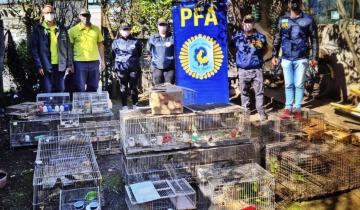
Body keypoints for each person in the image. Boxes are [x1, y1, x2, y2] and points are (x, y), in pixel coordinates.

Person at [272, 0, 319, 120]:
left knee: (299, 84)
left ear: (300, 2)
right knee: (288, 84)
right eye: (291, 1)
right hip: (286, 58)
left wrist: (314, 57)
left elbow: (314, 39)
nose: (294, 4)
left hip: (301, 58)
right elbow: (277, 37)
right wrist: (274, 55)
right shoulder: (283, 20)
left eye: (296, 1)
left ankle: (297, 108)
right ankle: (288, 107)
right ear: (288, 3)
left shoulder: (308, 20)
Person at [232, 15, 268, 122]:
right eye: (245, 21)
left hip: (256, 69)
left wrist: (258, 59)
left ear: (253, 24)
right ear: (242, 23)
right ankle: (245, 113)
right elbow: (232, 48)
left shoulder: (259, 37)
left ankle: (261, 112)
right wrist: (240, 60)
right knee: (244, 93)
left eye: (249, 22)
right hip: (243, 70)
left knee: (259, 92)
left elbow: (264, 49)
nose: (247, 24)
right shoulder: (237, 37)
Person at [31, 4, 73, 93]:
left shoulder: (61, 28)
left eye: (51, 12)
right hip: (45, 66)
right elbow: (34, 49)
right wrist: (39, 66)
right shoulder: (38, 29)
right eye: (47, 12)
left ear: (54, 14)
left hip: (60, 66)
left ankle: (60, 107)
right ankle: (49, 107)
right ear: (43, 14)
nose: (49, 14)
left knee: (61, 91)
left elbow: (68, 47)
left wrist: (69, 64)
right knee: (48, 92)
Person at [68, 8, 105, 92]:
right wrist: (70, 63)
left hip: (94, 62)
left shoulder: (96, 29)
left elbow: (100, 45)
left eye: (87, 15)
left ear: (90, 16)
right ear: (79, 17)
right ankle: (81, 105)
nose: (85, 17)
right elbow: (69, 48)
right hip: (79, 63)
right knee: (79, 87)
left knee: (93, 86)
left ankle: (89, 105)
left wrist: (102, 61)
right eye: (83, 15)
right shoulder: (72, 30)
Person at [112, 23, 142, 110]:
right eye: (124, 30)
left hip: (134, 68)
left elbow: (139, 53)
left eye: (128, 29)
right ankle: (124, 105)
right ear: (120, 31)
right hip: (121, 68)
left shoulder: (136, 41)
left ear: (130, 30)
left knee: (134, 87)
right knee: (123, 87)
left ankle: (135, 104)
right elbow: (113, 55)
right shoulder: (115, 42)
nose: (126, 31)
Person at [147, 18, 175, 85]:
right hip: (156, 66)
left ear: (167, 26)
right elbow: (148, 52)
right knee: (159, 87)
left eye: (164, 25)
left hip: (170, 67)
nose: (162, 27)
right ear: (158, 26)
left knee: (169, 86)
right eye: (161, 25)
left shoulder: (173, 37)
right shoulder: (152, 38)